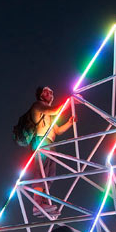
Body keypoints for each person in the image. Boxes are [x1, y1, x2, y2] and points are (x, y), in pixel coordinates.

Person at [28, 86, 75, 216]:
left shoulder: (49, 114)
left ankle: (43, 201)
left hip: (50, 143)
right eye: (45, 91)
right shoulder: (38, 106)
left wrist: (70, 123)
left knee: (49, 174)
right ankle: (37, 203)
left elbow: (58, 130)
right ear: (40, 94)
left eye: (51, 92)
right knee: (41, 172)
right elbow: (55, 110)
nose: (48, 93)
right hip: (41, 141)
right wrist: (69, 101)